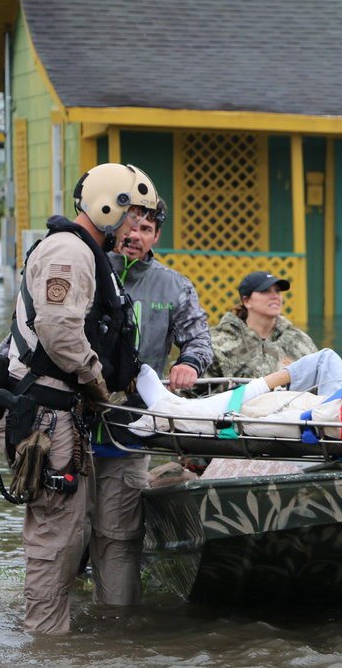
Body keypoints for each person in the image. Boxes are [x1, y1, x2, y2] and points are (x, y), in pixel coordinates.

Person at [0, 162, 154, 635]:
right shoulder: (68, 251)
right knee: (56, 536)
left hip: (58, 414)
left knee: (68, 530)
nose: (133, 227)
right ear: (109, 205)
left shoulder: (85, 253)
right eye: (130, 215)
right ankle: (46, 643)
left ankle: (58, 636)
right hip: (46, 414)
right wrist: (97, 382)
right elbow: (60, 331)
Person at [89, 195, 213, 607]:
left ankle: (119, 629)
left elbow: (199, 339)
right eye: (130, 226)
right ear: (113, 228)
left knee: (120, 536)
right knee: (65, 536)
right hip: (69, 427)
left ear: (156, 236)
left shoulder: (174, 285)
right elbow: (15, 349)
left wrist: (190, 363)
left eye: (145, 229)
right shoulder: (82, 269)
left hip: (131, 431)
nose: (135, 235)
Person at [205, 271, 318, 380]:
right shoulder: (215, 340)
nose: (275, 296)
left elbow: (319, 381)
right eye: (265, 291)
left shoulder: (299, 339)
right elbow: (192, 392)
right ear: (246, 301)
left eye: (277, 291)